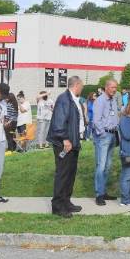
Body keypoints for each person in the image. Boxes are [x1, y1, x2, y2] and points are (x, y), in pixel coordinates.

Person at [47, 76, 85, 218]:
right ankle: (58, 206)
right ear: (76, 84)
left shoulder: (73, 99)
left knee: (70, 174)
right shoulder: (64, 99)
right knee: (63, 174)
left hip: (73, 143)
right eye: (81, 85)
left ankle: (66, 201)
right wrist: (65, 139)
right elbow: (59, 122)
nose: (82, 88)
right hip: (64, 143)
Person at [91, 79, 121, 206]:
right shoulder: (100, 100)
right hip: (103, 136)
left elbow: (114, 116)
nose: (114, 90)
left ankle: (103, 192)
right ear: (106, 87)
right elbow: (96, 120)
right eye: (112, 87)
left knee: (107, 166)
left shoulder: (113, 100)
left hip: (113, 135)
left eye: (116, 87)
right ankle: (99, 195)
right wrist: (103, 133)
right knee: (101, 165)